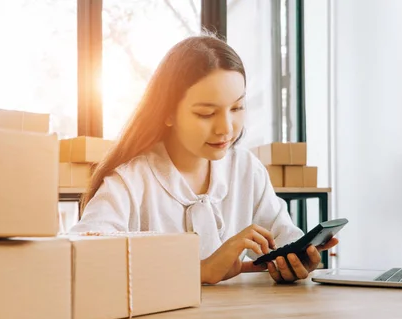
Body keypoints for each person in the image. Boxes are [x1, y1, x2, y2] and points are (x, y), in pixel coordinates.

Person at [70, 34, 338, 285]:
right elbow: (84, 260)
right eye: (206, 113)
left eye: (237, 108)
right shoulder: (130, 181)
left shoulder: (245, 169)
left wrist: (295, 261)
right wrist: (200, 270)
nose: (226, 128)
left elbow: (283, 234)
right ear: (168, 113)